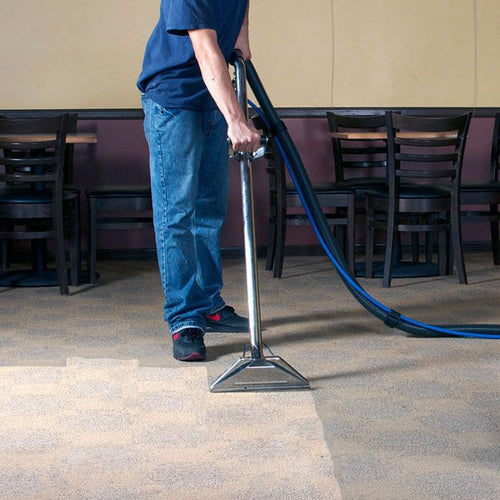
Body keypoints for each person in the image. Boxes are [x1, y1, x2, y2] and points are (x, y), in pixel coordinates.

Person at [137, 0, 261, 361]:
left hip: (211, 99)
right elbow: (206, 50)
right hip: (173, 101)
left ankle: (208, 302)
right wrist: (237, 119)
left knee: (210, 210)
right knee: (177, 214)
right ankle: (184, 318)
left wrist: (241, 37)